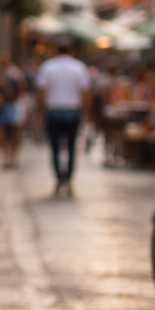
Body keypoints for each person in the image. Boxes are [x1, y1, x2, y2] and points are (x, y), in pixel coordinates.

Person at [35, 39, 93, 196]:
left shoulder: (48, 67)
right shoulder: (79, 67)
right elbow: (85, 93)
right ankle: (69, 179)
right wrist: (88, 112)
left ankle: (58, 178)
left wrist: (39, 111)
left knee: (54, 147)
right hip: (72, 111)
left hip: (53, 111)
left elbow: (41, 91)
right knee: (71, 147)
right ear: (71, 51)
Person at [0, 53, 27, 169]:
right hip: (1, 107)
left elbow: (22, 89)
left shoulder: (15, 73)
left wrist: (18, 102)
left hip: (12, 105)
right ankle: (6, 157)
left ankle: (13, 157)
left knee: (13, 133)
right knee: (3, 133)